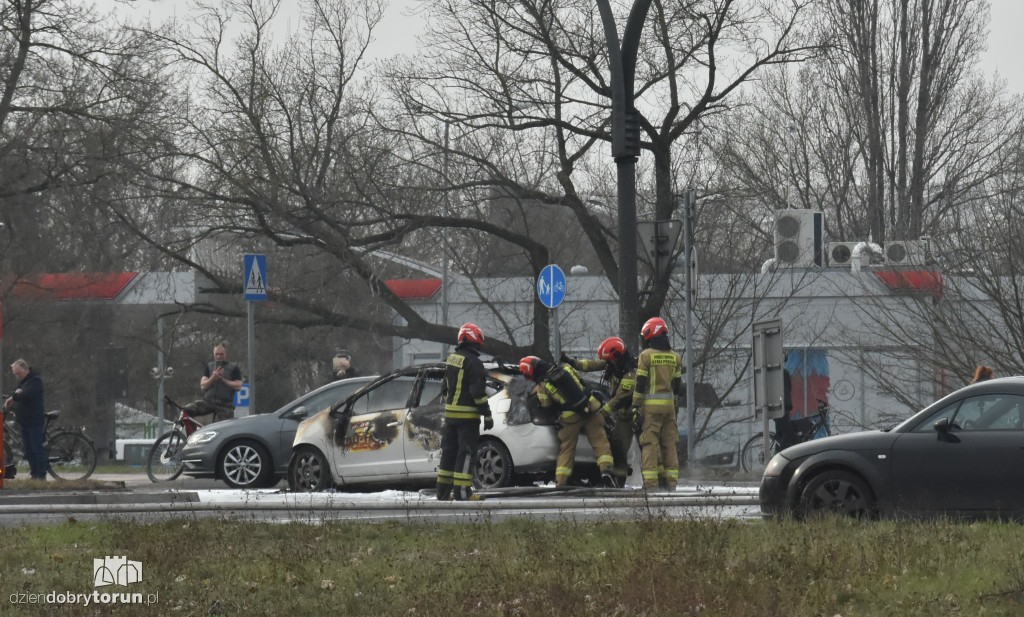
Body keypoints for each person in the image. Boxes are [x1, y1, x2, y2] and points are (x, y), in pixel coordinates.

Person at [520, 355, 616, 488]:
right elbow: (582, 382)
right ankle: (607, 472)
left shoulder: (542, 385)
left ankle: (561, 482)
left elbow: (546, 406)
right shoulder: (565, 367)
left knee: (567, 449)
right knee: (601, 443)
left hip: (570, 418)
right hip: (590, 408)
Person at [561, 337, 638, 487]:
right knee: (618, 447)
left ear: (616, 357)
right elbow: (593, 364)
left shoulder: (630, 374)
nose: (606, 363)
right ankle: (618, 482)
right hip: (623, 414)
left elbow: (619, 399)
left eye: (609, 360)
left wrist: (601, 414)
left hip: (632, 414)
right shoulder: (615, 364)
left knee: (635, 446)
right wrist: (573, 363)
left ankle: (650, 483)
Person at [436, 323, 492, 501]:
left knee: (449, 453)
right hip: (467, 418)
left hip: (450, 417)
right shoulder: (474, 363)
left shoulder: (452, 359)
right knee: (466, 453)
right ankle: (462, 493)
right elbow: (477, 393)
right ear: (474, 339)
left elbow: (445, 389)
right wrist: (487, 414)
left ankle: (442, 493)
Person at [630, 317, 683, 491]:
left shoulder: (646, 356)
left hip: (651, 409)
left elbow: (640, 383)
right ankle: (671, 483)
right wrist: (674, 407)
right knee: (669, 445)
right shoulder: (675, 357)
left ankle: (651, 484)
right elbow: (677, 387)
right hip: (669, 409)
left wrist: (636, 406)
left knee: (650, 444)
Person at [3, 359, 48, 480]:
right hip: (25, 420)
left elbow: (26, 394)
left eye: (18, 373)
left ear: (25, 369)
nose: (17, 376)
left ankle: (41, 475)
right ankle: (34, 474)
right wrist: (16, 393)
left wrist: (17, 394)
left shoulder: (35, 380)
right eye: (15, 374)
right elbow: (14, 392)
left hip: (34, 420)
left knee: (36, 448)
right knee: (28, 450)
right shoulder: (23, 381)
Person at [184, 343, 243, 423]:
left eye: (221, 354)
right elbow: (203, 386)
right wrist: (213, 377)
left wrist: (222, 380)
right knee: (187, 409)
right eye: (216, 354)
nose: (218, 357)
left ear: (226, 353)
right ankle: (192, 433)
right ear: (213, 354)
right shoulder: (209, 366)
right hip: (208, 402)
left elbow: (238, 386)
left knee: (225, 428)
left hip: (225, 405)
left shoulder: (233, 368)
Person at [774, 354, 796, 450]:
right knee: (788, 434)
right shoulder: (783, 373)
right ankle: (782, 457)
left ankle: (776, 453)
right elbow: (789, 390)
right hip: (782, 408)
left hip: (779, 408)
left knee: (781, 435)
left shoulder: (776, 373)